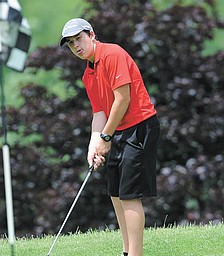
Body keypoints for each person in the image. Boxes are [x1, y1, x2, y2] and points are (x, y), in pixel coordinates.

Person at [59, 18, 160, 256]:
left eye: (79, 39)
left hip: (140, 126)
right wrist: (94, 144)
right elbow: (99, 112)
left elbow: (122, 100)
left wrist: (105, 137)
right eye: (71, 44)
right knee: (115, 193)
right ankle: (125, 252)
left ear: (91, 34)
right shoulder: (88, 74)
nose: (76, 46)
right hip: (117, 130)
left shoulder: (112, 54)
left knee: (129, 195)